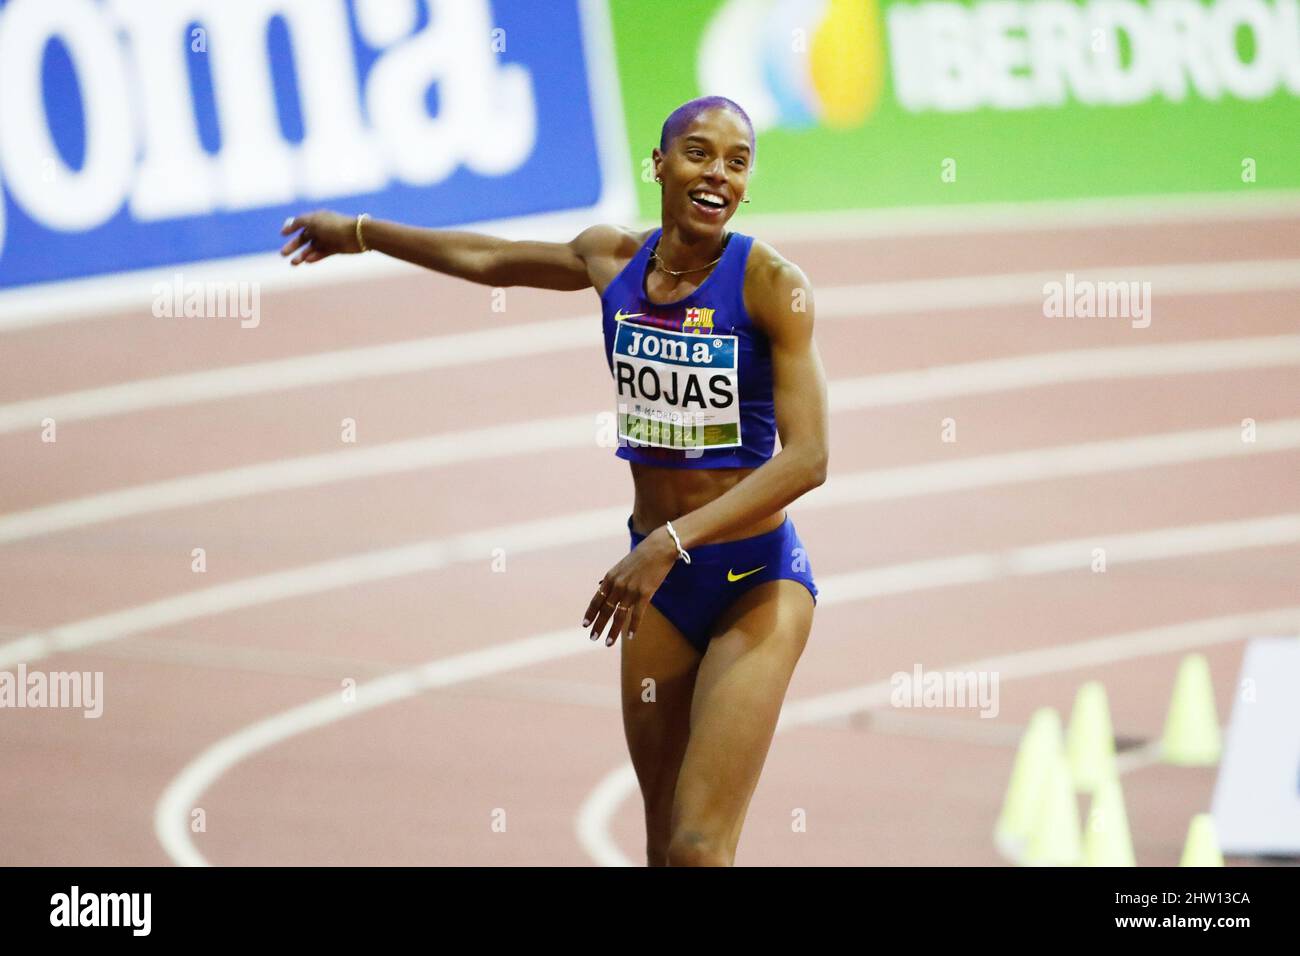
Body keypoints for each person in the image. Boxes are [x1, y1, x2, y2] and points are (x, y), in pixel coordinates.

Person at [279, 96, 829, 867]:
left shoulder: (770, 283)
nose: (718, 175)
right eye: (700, 153)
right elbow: (489, 258)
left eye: (738, 163)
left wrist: (671, 540)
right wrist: (362, 235)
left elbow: (808, 460)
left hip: (753, 585)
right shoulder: (611, 260)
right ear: (659, 165)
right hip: (658, 585)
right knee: (661, 848)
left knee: (701, 848)